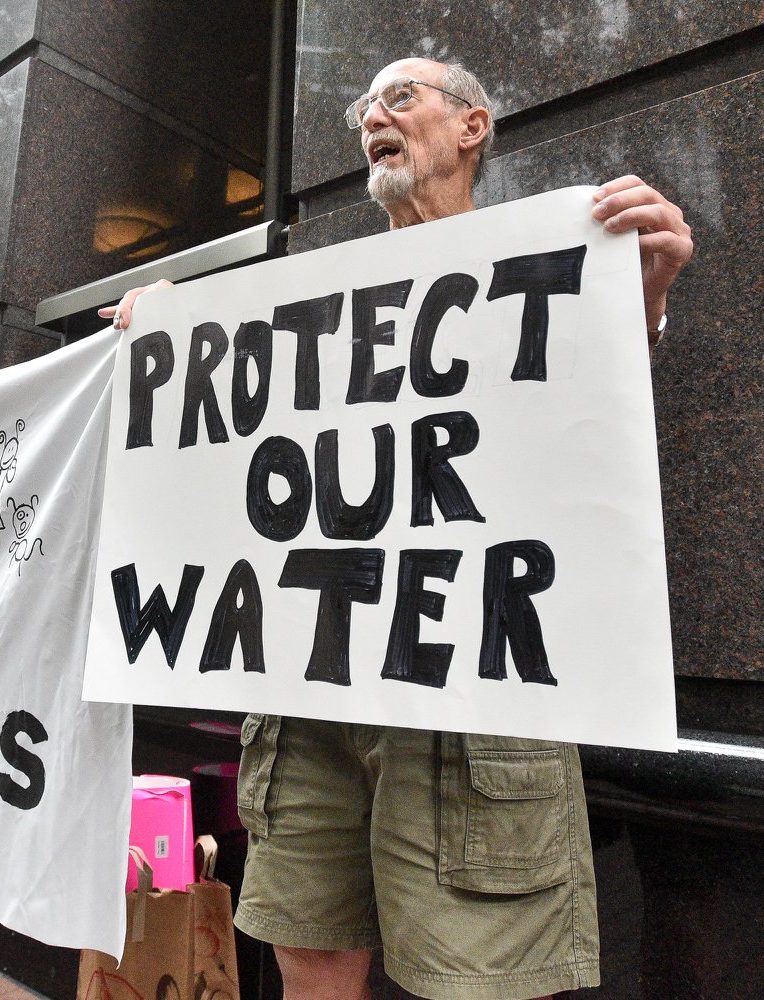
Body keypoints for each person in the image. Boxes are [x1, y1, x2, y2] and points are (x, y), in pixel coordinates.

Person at [103, 58, 692, 1000]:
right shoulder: (305, 313)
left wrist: (642, 298)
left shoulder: (554, 266)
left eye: (401, 97)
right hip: (308, 703)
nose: (372, 116)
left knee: (474, 981)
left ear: (472, 126)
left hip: (474, 707)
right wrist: (169, 344)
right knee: (309, 969)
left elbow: (580, 452)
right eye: (362, 107)